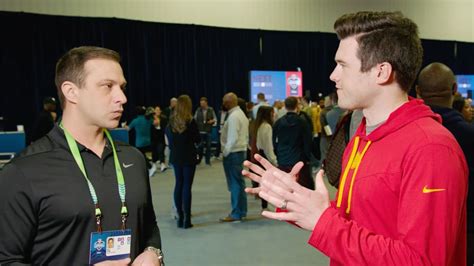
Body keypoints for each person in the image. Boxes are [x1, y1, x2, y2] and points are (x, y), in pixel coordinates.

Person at [243, 11, 467, 265]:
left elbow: (422, 261)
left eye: (343, 65)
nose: (333, 75)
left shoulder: (431, 149)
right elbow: (361, 220)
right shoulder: (362, 137)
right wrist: (299, 201)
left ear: (381, 72)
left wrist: (323, 223)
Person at [0, 46, 163, 265]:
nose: (122, 97)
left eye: (122, 87)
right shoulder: (23, 171)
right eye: (108, 86)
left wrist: (154, 252)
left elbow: (148, 224)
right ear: (71, 91)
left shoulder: (133, 158)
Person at [416, 62, 474, 265]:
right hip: (466, 227)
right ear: (455, 90)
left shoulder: (406, 133)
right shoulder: (469, 135)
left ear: (418, 91)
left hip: (414, 230)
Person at [166, 95, 200, 229]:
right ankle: (187, 219)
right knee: (187, 186)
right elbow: (197, 139)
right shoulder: (191, 121)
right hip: (189, 156)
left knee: (178, 184)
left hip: (175, 156)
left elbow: (168, 137)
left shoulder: (171, 121)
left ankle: (180, 217)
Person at [219, 92, 249, 222]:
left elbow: (232, 138)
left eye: (224, 102)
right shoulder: (240, 114)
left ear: (228, 103)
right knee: (239, 182)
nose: (223, 104)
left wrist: (225, 152)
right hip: (239, 151)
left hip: (233, 153)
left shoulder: (233, 117)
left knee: (235, 184)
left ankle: (236, 212)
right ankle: (241, 210)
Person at [273, 96, 313, 190]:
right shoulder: (302, 122)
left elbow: (274, 141)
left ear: (285, 106)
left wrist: (278, 154)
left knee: (284, 188)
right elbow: (308, 141)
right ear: (297, 106)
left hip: (283, 160)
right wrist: (308, 157)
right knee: (302, 188)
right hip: (299, 160)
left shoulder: (278, 122)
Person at [251, 105, 277, 210]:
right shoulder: (267, 127)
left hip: (259, 156)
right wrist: (274, 160)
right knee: (268, 183)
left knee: (263, 181)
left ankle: (264, 205)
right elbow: (268, 146)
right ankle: (266, 205)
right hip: (265, 157)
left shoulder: (257, 126)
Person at [128, 106, 157, 177]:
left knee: (141, 156)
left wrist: (124, 125)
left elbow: (128, 129)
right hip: (148, 142)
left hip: (139, 143)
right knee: (143, 156)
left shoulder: (135, 120)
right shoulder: (148, 119)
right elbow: (156, 123)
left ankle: (150, 167)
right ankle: (150, 166)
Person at [194, 96, 217, 166]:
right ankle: (199, 160)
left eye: (203, 103)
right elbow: (194, 119)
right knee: (200, 147)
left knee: (208, 146)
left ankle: (207, 161)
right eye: (201, 103)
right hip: (200, 131)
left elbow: (215, 119)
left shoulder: (211, 109)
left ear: (206, 103)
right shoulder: (198, 110)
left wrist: (211, 121)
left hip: (208, 131)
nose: (202, 105)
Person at [151, 105, 168, 172]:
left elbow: (165, 128)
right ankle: (154, 164)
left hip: (161, 138)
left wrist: (159, 125)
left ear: (160, 111)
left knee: (161, 151)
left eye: (158, 110)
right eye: (156, 110)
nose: (157, 111)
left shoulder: (164, 119)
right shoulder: (151, 119)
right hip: (153, 138)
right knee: (154, 151)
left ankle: (162, 164)